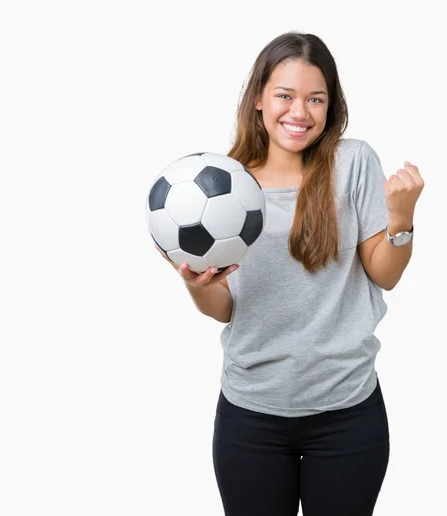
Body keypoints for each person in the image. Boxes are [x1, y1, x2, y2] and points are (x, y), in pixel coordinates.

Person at [158, 31, 424, 516]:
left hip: (346, 409)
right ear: (259, 99)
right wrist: (199, 288)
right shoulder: (224, 186)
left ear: (331, 105)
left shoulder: (353, 162)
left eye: (315, 99)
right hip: (251, 413)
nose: (299, 112)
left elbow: (384, 275)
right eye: (285, 96)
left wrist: (401, 221)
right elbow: (227, 309)